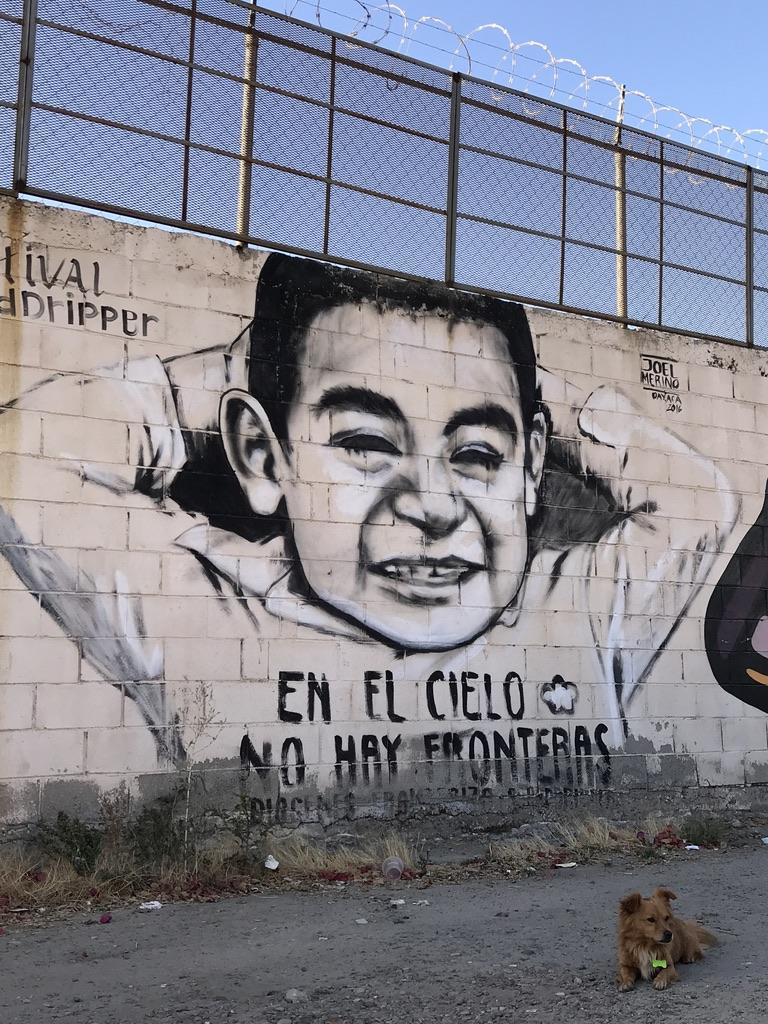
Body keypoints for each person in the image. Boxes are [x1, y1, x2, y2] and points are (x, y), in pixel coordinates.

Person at [0, 253, 738, 760]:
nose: (432, 506)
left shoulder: (572, 612)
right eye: (365, 443)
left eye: (479, 453)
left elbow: (697, 497)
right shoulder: (205, 612)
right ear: (262, 455)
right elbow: (32, 450)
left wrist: (527, 387)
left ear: (532, 462)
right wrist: (258, 362)